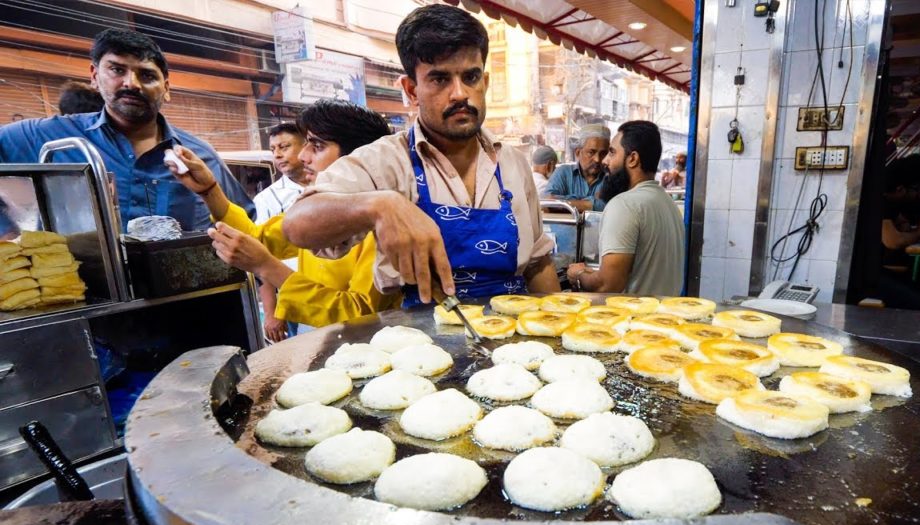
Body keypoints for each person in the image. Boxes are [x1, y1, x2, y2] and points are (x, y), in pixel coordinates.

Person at [282, 4, 559, 305]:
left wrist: (558, 323)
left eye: (471, 77)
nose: (460, 94)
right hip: (423, 340)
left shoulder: (513, 163)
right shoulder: (386, 161)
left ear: (485, 82)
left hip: (514, 337)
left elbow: (536, 263)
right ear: (411, 90)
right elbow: (297, 225)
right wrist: (379, 205)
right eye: (440, 79)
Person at [168, 99, 398, 336]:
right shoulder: (316, 211)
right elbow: (258, 237)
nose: (303, 156)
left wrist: (266, 266)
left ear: (357, 157)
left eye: (317, 146)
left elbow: (363, 314)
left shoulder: (383, 220)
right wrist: (210, 190)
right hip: (317, 337)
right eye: (306, 144)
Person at [0, 28, 252, 231]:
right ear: (94, 76)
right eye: (117, 70)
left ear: (166, 87)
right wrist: (5, 233)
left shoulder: (200, 156)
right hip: (85, 291)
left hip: (187, 293)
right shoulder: (51, 138)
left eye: (147, 75)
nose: (131, 83)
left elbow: (248, 228)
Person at [565, 121, 685, 295]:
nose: (605, 161)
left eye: (612, 153)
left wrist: (578, 274)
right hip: (661, 318)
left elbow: (607, 285)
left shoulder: (624, 205)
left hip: (633, 319)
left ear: (632, 159)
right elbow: (641, 272)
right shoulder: (667, 203)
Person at [250, 122, 311, 341]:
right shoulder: (266, 200)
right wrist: (271, 312)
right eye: (273, 149)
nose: (277, 155)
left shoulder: (329, 184)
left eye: (284, 147)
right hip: (296, 300)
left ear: (307, 145)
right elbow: (262, 258)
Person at [875, 155, 920, 310]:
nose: (919, 194)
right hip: (863, 276)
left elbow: (902, 224)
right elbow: (893, 241)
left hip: (874, 270)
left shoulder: (890, 203)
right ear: (900, 188)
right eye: (918, 189)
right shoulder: (880, 202)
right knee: (917, 300)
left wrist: (905, 225)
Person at [545, 124, 610, 212]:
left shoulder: (611, 177)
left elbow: (610, 206)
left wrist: (566, 202)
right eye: (591, 152)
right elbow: (548, 203)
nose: (597, 159)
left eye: (603, 154)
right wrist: (591, 202)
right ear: (578, 152)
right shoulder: (563, 173)